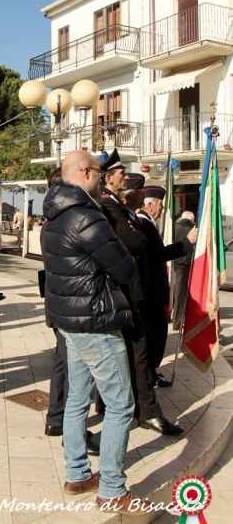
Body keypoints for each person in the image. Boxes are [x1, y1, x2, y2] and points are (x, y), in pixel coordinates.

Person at [42, 149, 151, 515]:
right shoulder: (87, 216)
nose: (103, 178)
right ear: (86, 172)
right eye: (100, 173)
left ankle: (76, 474)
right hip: (97, 321)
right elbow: (124, 267)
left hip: (69, 321)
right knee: (120, 404)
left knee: (76, 400)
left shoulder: (53, 215)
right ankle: (112, 490)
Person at [99, 149, 183, 436]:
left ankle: (136, 408)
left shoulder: (119, 209)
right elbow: (135, 243)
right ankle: (146, 411)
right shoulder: (109, 207)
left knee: (133, 353)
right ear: (108, 177)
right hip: (124, 294)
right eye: (122, 172)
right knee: (138, 353)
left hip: (133, 292)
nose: (125, 175)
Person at [43, 166, 99, 455]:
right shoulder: (78, 217)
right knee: (77, 375)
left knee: (64, 364)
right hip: (77, 307)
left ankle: (57, 419)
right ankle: (69, 430)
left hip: (61, 305)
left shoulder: (52, 217)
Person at [137, 190, 196, 379]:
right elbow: (158, 254)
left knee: (157, 334)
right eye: (161, 204)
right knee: (155, 334)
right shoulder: (144, 222)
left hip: (154, 290)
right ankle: (148, 373)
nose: (163, 208)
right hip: (150, 292)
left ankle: (151, 372)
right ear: (150, 205)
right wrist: (187, 242)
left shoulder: (148, 222)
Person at [172, 211, 195, 331]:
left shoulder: (174, 227)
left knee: (174, 292)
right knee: (180, 294)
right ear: (192, 220)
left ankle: (171, 316)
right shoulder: (192, 230)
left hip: (172, 262)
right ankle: (178, 322)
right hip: (184, 265)